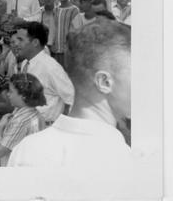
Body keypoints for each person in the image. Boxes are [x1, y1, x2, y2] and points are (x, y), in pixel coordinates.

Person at [8, 18, 132, 167]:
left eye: (21, 39)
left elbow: (71, 95)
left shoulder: (25, 150)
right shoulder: (119, 158)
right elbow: (74, 94)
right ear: (104, 82)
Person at [11, 22, 74, 125]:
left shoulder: (51, 68)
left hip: (46, 127)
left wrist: (62, 126)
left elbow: (71, 98)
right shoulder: (25, 64)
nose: (16, 44)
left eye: (21, 40)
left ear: (35, 42)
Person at [0, 72, 46, 166]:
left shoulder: (21, 120)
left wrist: (0, 127)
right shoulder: (35, 113)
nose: (8, 95)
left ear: (23, 96)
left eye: (11, 91)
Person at [50, 0, 80, 68]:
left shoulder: (74, 10)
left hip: (68, 50)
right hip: (56, 50)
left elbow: (77, 31)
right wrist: (51, 44)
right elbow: (52, 29)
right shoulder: (55, 10)